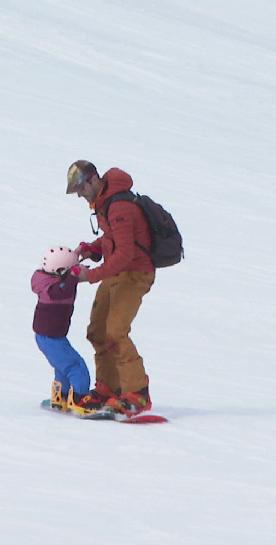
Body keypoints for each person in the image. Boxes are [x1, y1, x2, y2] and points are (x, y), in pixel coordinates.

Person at [65, 160, 156, 416]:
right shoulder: (105, 203)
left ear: (93, 180)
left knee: (115, 332)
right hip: (116, 272)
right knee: (97, 331)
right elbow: (112, 239)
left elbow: (126, 254)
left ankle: (137, 395)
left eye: (81, 189)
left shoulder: (119, 206)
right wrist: (92, 249)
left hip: (134, 274)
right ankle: (109, 388)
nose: (80, 196)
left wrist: (90, 276)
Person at [31, 246, 92, 414]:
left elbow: (66, 270)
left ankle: (61, 397)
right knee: (76, 367)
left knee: (62, 366)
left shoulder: (47, 277)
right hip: (51, 338)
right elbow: (64, 289)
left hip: (49, 336)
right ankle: (80, 400)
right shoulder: (55, 289)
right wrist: (73, 274)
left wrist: (78, 254)